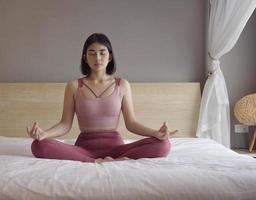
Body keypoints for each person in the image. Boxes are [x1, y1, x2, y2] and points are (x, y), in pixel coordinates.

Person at [27, 33, 178, 163]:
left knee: (163, 145)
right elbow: (65, 124)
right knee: (39, 145)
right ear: (85, 58)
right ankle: (96, 161)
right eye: (92, 53)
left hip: (117, 149)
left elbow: (131, 123)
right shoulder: (74, 86)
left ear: (110, 56)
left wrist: (156, 134)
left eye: (102, 52)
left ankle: (112, 160)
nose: (97, 57)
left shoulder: (122, 84)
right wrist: (44, 134)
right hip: (83, 149)